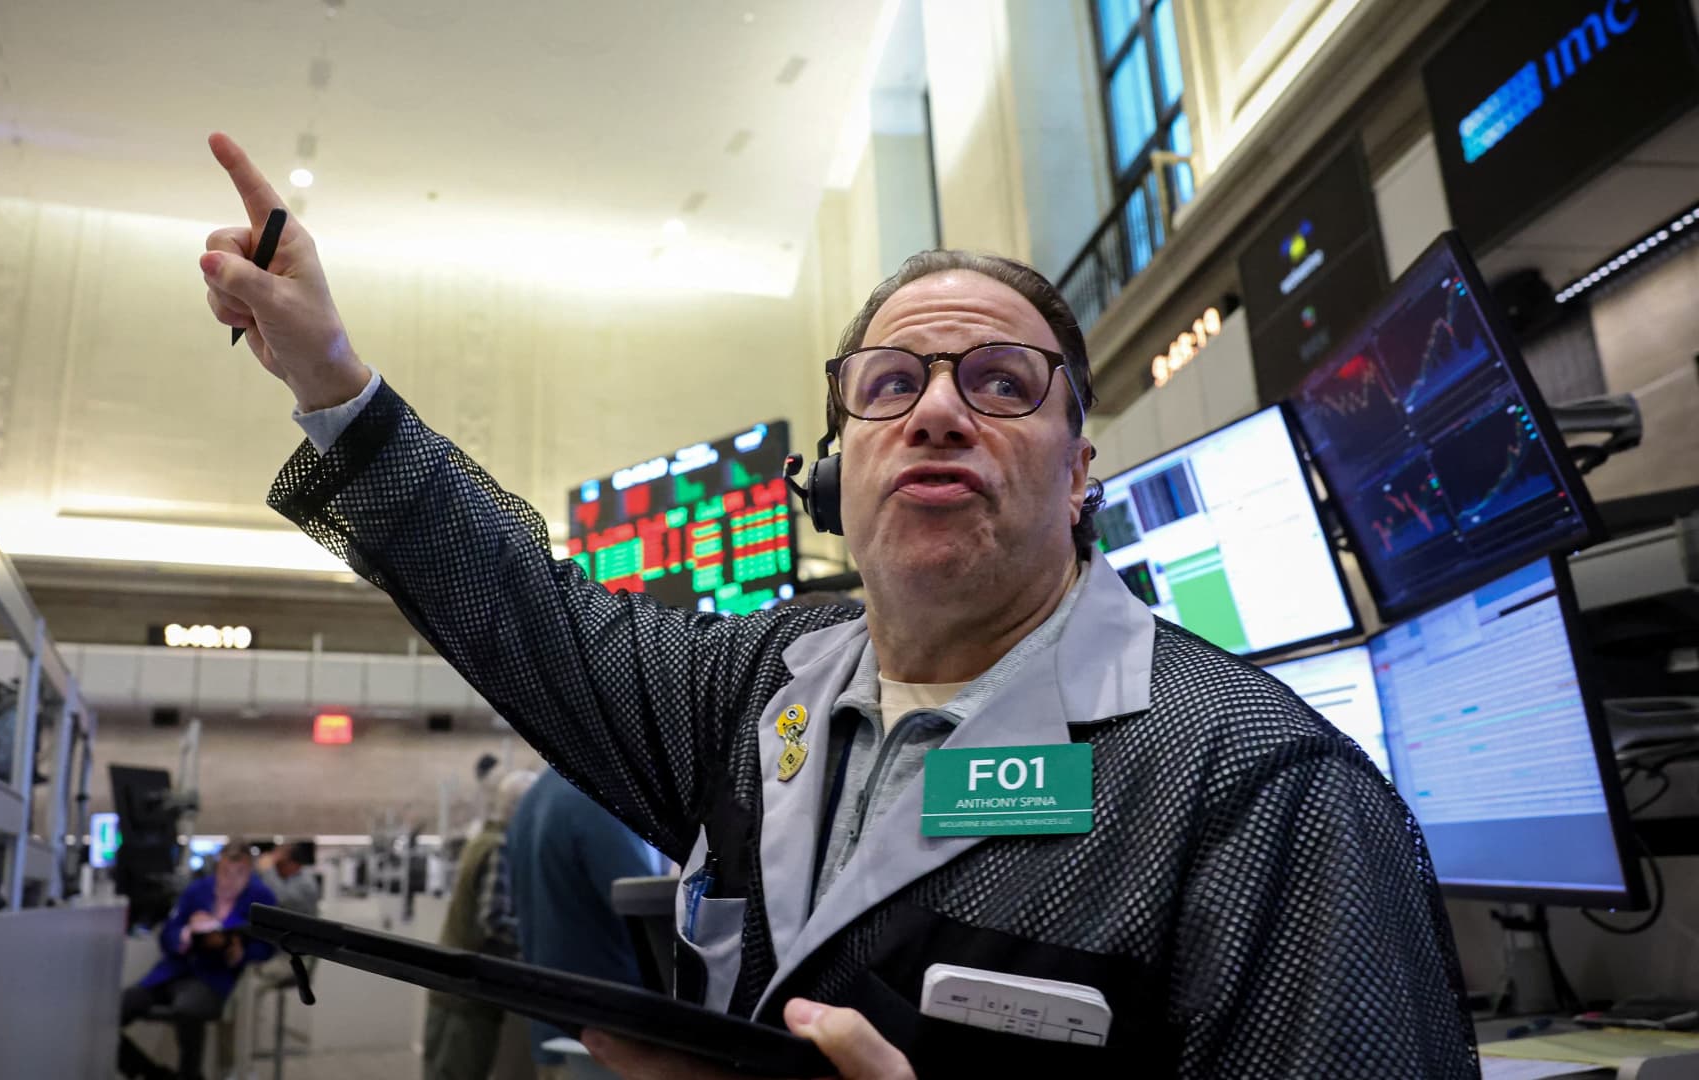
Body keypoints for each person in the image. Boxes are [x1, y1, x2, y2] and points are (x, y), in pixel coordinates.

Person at [199, 133, 1476, 1077]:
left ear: (1083, 470)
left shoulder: (1263, 790)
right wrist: (329, 376)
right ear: (836, 471)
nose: (937, 410)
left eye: (1002, 382)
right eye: (889, 383)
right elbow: (521, 606)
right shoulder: (754, 687)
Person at [507, 768, 666, 1076]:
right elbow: (648, 919)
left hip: (552, 1025)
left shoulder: (533, 798)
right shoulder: (599, 798)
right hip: (606, 1036)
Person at [119, 843, 276, 1080]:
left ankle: (190, 1075)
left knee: (189, 1009)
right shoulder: (196, 890)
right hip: (171, 972)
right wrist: (186, 934)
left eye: (239, 871)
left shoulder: (261, 897)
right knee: (114, 1012)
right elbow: (168, 934)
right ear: (218, 866)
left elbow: (268, 946)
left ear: (249, 869)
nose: (232, 877)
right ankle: (153, 1074)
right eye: (227, 870)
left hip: (213, 977)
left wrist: (241, 952)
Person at [423, 769, 538, 1080]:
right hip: (468, 993)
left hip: (452, 985)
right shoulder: (500, 848)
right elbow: (494, 920)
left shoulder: (480, 841)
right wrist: (540, 944)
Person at [257, 839, 320, 917]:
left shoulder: (306, 882)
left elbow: (281, 898)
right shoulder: (286, 879)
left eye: (280, 864)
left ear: (292, 863)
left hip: (300, 924)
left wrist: (268, 869)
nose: (277, 870)